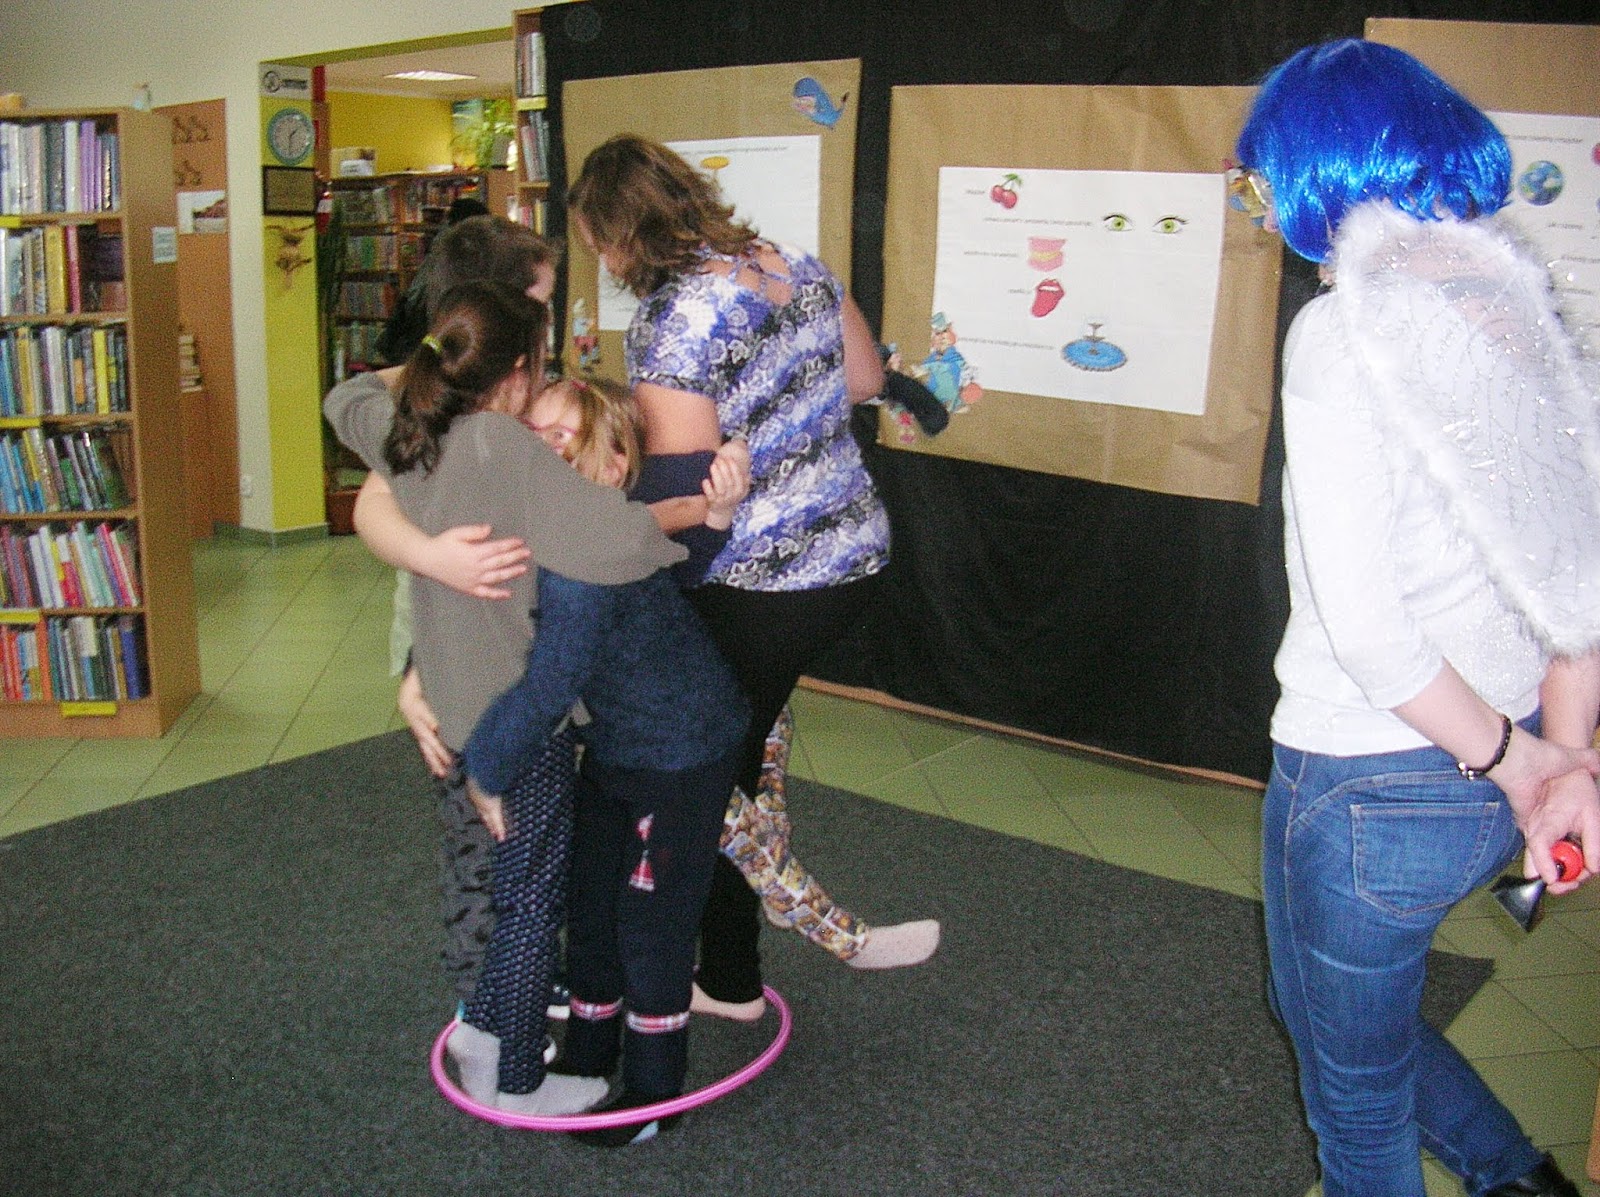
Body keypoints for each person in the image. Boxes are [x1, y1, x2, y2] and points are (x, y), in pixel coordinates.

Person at [1235, 39, 1600, 1197]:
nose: (1259, 206)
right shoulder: (1514, 304)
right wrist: (1559, 759)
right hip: (1491, 764)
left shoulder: (1343, 332)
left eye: (1263, 180)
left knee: (1354, 1104)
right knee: (1328, 1020)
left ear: (1320, 171)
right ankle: (1518, 1178)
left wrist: (1524, 767)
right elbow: (1577, 581)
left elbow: (1371, 636)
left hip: (1373, 781)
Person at [568, 133, 940, 1019]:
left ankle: (729, 967)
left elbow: (685, 496)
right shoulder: (794, 262)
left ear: (625, 233)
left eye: (600, 243)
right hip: (851, 557)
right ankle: (730, 962)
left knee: (701, 774)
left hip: (763, 579)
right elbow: (864, 378)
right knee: (740, 749)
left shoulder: (674, 320)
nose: (603, 263)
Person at [323, 281, 686, 1115]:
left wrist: (426, 365)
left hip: (453, 710)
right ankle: (517, 1076)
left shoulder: (410, 433)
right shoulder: (504, 448)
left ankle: (483, 1030)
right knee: (529, 897)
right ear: (520, 373)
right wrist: (696, 517)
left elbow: (345, 397)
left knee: (503, 881)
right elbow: (620, 539)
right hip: (521, 722)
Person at [463, 374, 750, 1145]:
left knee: (649, 924)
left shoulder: (584, 550)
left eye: (563, 438)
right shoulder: (586, 524)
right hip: (620, 747)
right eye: (533, 434)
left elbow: (550, 683)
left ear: (614, 463)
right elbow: (679, 560)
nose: (540, 451)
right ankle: (589, 1053)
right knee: (591, 905)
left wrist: (485, 768)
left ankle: (653, 1093)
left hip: (682, 753)